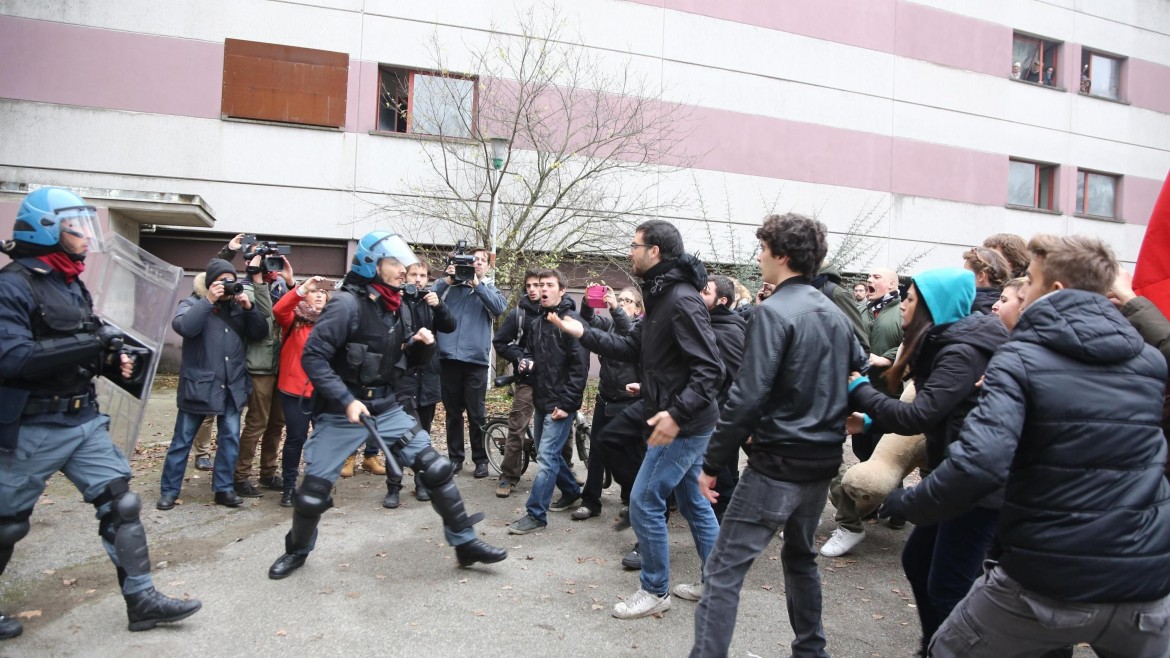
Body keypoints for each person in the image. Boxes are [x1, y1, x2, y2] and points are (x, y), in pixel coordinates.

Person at [881, 235, 1170, 657]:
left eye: (1028, 282)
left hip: (1047, 579)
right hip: (1145, 583)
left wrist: (908, 502)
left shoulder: (1018, 359)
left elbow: (978, 465)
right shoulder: (1148, 363)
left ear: (1053, 291)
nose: (1013, 292)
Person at [0, 187, 201, 639]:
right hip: (30, 426)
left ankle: (142, 600)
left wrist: (110, 359)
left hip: (81, 421)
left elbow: (82, 343)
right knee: (6, 525)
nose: (86, 236)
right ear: (47, 228)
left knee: (121, 504)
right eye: (76, 226)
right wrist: (92, 344)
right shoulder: (12, 285)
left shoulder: (69, 281)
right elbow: (12, 359)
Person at [267, 231, 505, 580]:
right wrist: (345, 400)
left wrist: (419, 345)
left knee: (435, 469)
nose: (402, 270)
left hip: (388, 406)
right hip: (341, 413)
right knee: (312, 494)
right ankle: (297, 551)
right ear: (371, 264)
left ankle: (465, 542)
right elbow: (314, 357)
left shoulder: (393, 304)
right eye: (393, 263)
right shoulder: (346, 304)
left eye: (402, 263)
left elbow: (401, 360)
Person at [691, 213, 866, 658]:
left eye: (763, 249)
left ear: (782, 256)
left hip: (778, 466)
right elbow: (858, 367)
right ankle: (812, 650)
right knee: (800, 557)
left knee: (723, 570)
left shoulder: (774, 313)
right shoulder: (835, 313)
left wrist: (711, 464)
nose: (759, 257)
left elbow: (746, 397)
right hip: (822, 462)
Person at [548, 220, 723, 620]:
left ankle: (655, 588)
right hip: (679, 417)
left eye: (634, 245)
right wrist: (582, 332)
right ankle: (718, 582)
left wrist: (676, 414)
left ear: (655, 251)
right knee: (694, 502)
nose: (630, 252)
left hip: (683, 423)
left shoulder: (681, 299)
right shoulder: (661, 295)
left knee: (644, 499)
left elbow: (711, 370)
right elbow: (632, 347)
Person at [847, 268, 1009, 656]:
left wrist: (859, 389)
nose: (903, 303)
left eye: (911, 299)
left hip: (977, 484)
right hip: (958, 476)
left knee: (951, 585)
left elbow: (920, 415)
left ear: (932, 306)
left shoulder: (962, 349)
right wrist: (871, 418)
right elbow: (933, 410)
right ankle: (935, 645)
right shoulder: (944, 341)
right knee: (919, 561)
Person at [158, 257, 267, 510]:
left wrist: (250, 308)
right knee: (182, 439)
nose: (227, 286)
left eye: (230, 281)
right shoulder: (192, 303)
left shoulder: (239, 307)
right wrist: (209, 300)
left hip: (231, 386)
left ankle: (223, 489)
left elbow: (260, 333)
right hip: (199, 385)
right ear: (209, 284)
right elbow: (185, 326)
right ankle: (169, 491)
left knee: (230, 439)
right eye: (221, 282)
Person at [823, 266, 903, 557]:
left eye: (876, 277)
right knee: (862, 451)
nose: (869, 281)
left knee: (885, 455)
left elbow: (908, 345)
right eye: (867, 277)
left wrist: (884, 359)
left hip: (886, 393)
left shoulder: (900, 311)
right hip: (859, 391)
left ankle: (895, 510)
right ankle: (868, 508)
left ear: (892, 283)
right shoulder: (863, 308)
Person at [508, 270, 590, 534]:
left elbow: (580, 369)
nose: (542, 290)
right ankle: (570, 490)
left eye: (549, 285)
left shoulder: (571, 322)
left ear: (562, 290)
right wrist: (526, 360)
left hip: (560, 404)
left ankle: (536, 514)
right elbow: (531, 351)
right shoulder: (537, 323)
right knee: (549, 455)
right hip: (541, 399)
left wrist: (567, 404)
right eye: (540, 285)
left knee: (545, 458)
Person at [432, 247, 508, 478]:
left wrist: (477, 285)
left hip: (475, 361)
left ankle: (480, 459)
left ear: (487, 266)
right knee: (453, 413)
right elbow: (428, 296)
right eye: (472, 260)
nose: (476, 264)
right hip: (448, 358)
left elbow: (499, 308)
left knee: (477, 413)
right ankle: (455, 458)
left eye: (481, 261)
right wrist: (447, 277)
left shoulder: (489, 289)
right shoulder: (450, 286)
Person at [570, 285, 643, 520]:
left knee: (631, 454)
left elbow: (626, 332)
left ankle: (631, 501)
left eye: (627, 301)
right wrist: (588, 302)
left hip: (629, 399)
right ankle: (591, 501)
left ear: (638, 308)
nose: (621, 303)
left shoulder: (639, 327)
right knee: (598, 451)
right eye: (619, 299)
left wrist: (614, 308)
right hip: (605, 396)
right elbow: (588, 321)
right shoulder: (610, 322)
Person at [390, 257, 455, 506]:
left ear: (429, 279)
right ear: (404, 277)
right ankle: (393, 487)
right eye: (413, 275)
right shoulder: (395, 301)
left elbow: (449, 326)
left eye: (422, 275)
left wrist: (439, 306)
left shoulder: (432, 301)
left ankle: (421, 483)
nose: (417, 280)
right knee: (400, 435)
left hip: (427, 376)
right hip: (403, 376)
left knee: (423, 435)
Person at [232, 244, 293, 498]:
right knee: (257, 422)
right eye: (263, 260)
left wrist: (290, 283)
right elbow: (264, 321)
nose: (270, 265)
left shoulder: (279, 285)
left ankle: (268, 472)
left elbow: (293, 310)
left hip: (281, 364)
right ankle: (240, 476)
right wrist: (257, 278)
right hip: (259, 366)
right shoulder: (243, 288)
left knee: (277, 423)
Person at [271, 274, 330, 507]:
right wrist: (301, 286)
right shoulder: (294, 320)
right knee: (296, 439)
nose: (318, 295)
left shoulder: (332, 323)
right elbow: (278, 310)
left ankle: (317, 485)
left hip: (323, 392)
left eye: (322, 292)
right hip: (294, 390)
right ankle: (288, 488)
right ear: (305, 295)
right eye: (314, 291)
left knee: (322, 440)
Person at [698, 274, 747, 521]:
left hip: (719, 414)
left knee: (720, 473)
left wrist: (729, 418)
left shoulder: (726, 331)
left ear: (722, 300)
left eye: (705, 292)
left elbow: (740, 379)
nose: (698, 294)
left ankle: (721, 517)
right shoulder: (708, 324)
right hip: (711, 411)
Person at [492, 270, 543, 499]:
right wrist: (520, 356)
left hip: (551, 382)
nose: (532, 289)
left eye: (537, 285)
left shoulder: (557, 311)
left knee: (561, 428)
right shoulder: (519, 314)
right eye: (529, 285)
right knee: (517, 427)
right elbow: (500, 341)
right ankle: (508, 477)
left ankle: (566, 471)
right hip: (528, 381)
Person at [962, 246, 1010, 314]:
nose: (962, 279)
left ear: (981, 276)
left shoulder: (968, 306)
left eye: (966, 274)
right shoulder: (1009, 306)